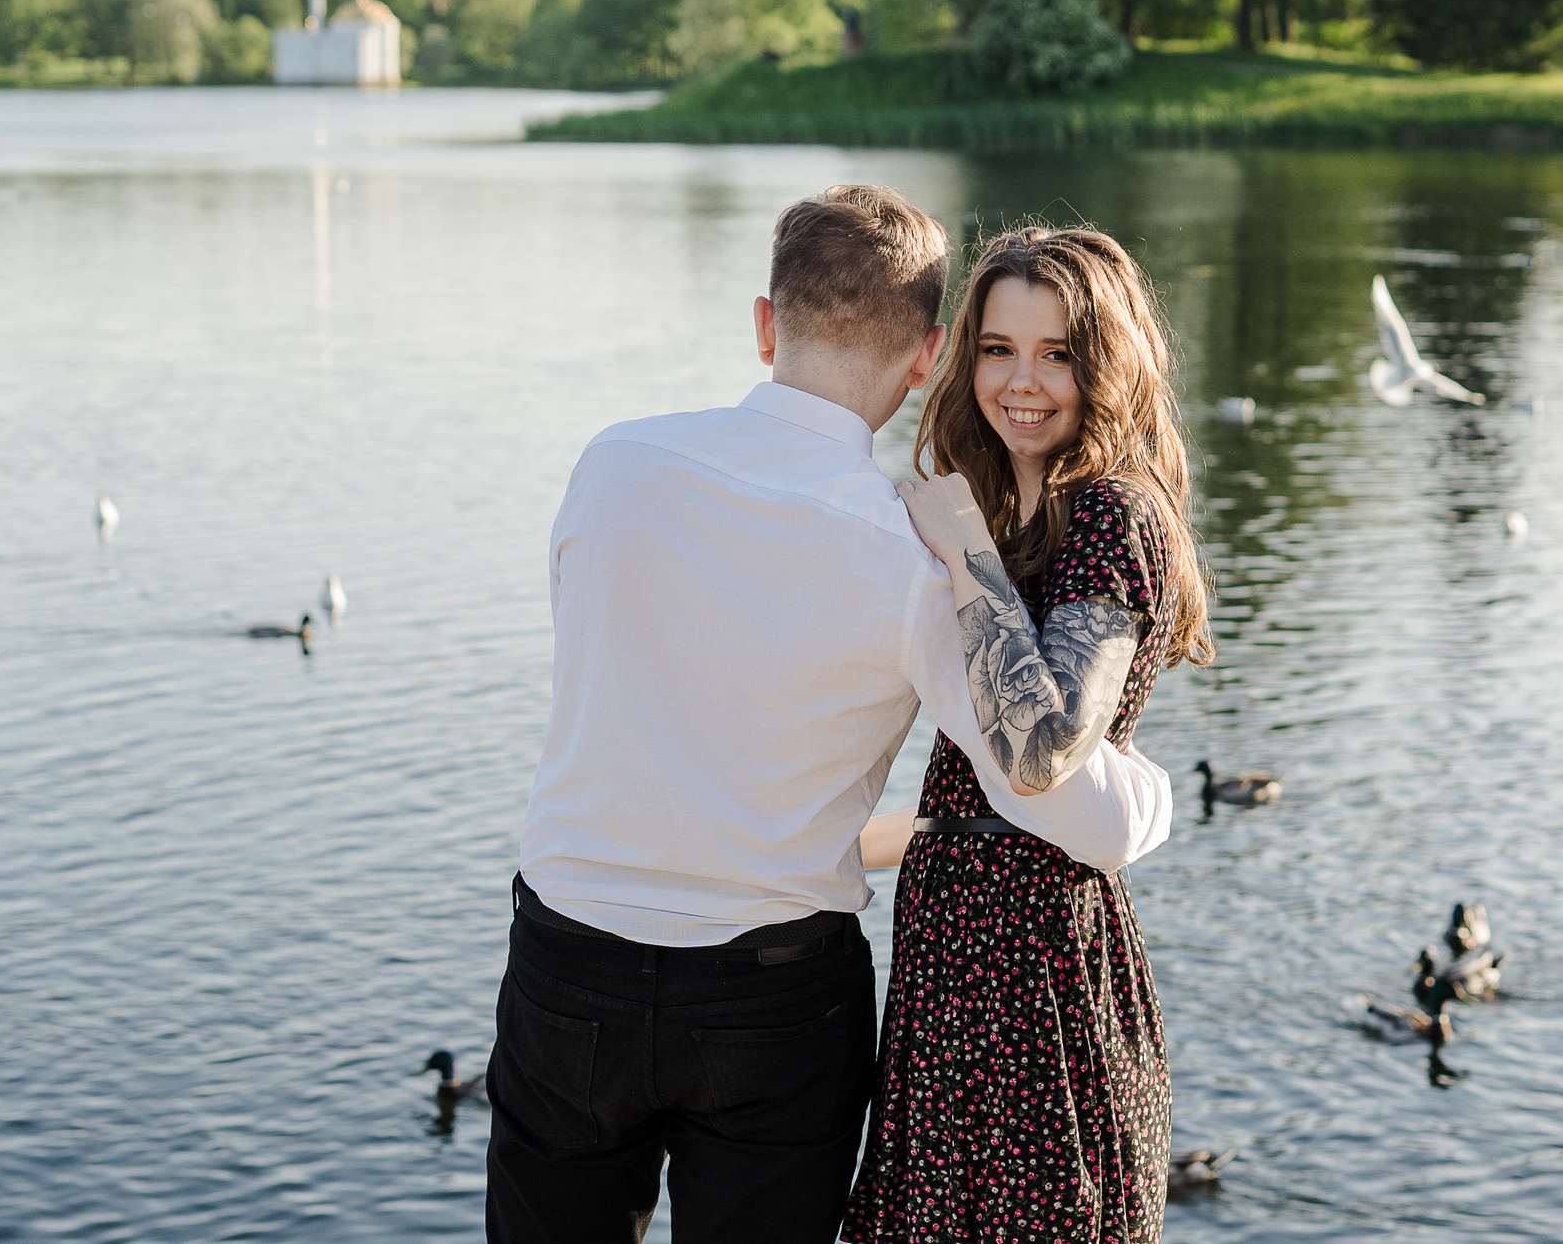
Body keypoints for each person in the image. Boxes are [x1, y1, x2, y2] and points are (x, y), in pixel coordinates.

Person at [486, 186, 1176, 1244]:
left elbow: (629, 696)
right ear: (927, 356)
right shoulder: (909, 556)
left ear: (765, 323)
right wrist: (1146, 803)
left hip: (565, 967)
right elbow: (1052, 785)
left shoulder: (611, 466)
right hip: (768, 1002)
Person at [844, 224, 1215, 1244]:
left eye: (1059, 353)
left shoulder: (1112, 517)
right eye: (999, 349)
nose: (1023, 382)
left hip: (1038, 973)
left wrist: (957, 541)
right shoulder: (1019, 514)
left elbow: (1040, 747)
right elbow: (960, 792)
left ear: (1107, 365)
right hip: (954, 955)